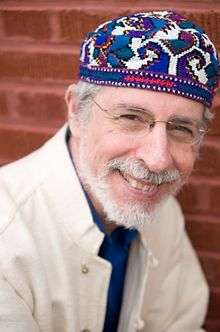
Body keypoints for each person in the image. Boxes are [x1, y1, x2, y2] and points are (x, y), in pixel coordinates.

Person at [0, 10, 219, 332]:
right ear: (77, 110)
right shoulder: (7, 236)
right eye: (130, 117)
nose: (158, 161)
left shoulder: (162, 210)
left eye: (181, 128)